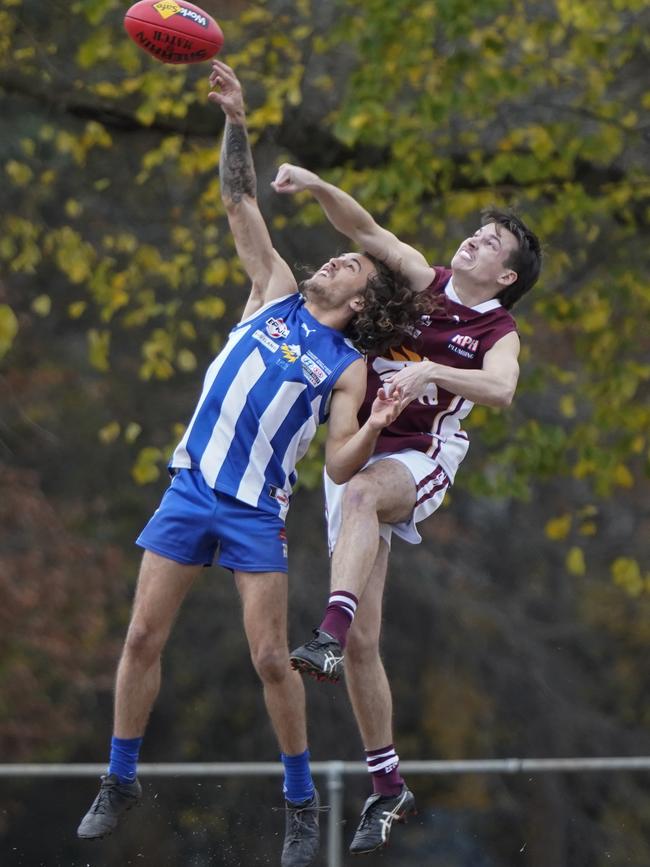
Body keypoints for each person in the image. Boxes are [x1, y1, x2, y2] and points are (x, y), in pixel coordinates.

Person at [76, 61, 429, 867]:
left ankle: (299, 803)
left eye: (349, 265)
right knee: (138, 639)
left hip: (252, 512)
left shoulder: (348, 366)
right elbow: (239, 200)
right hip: (191, 487)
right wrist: (236, 120)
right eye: (339, 259)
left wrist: (374, 424)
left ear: (362, 301)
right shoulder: (271, 289)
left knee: (273, 659)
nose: (333, 261)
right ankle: (120, 776)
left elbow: (341, 467)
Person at [271, 163, 542, 855]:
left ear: (506, 276)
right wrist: (312, 183)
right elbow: (362, 228)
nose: (472, 243)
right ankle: (389, 790)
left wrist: (433, 370)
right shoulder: (426, 280)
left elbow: (502, 391)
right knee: (367, 640)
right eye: (475, 233)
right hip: (359, 452)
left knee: (361, 507)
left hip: (421, 459)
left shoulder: (498, 328)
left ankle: (326, 631)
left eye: (488, 244)